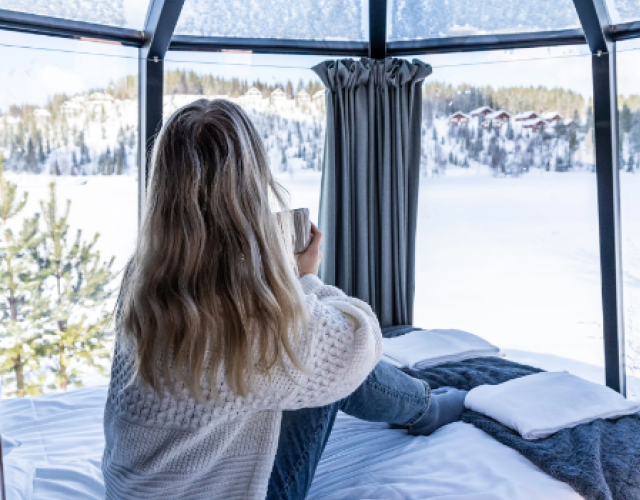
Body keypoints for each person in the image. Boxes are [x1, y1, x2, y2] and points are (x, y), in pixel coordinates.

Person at [102, 99, 466, 500]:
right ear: (251, 182)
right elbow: (358, 345)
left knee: (305, 350)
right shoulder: (248, 310)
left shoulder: (145, 272)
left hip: (131, 489)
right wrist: (305, 278)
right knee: (326, 358)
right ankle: (423, 407)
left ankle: (421, 404)